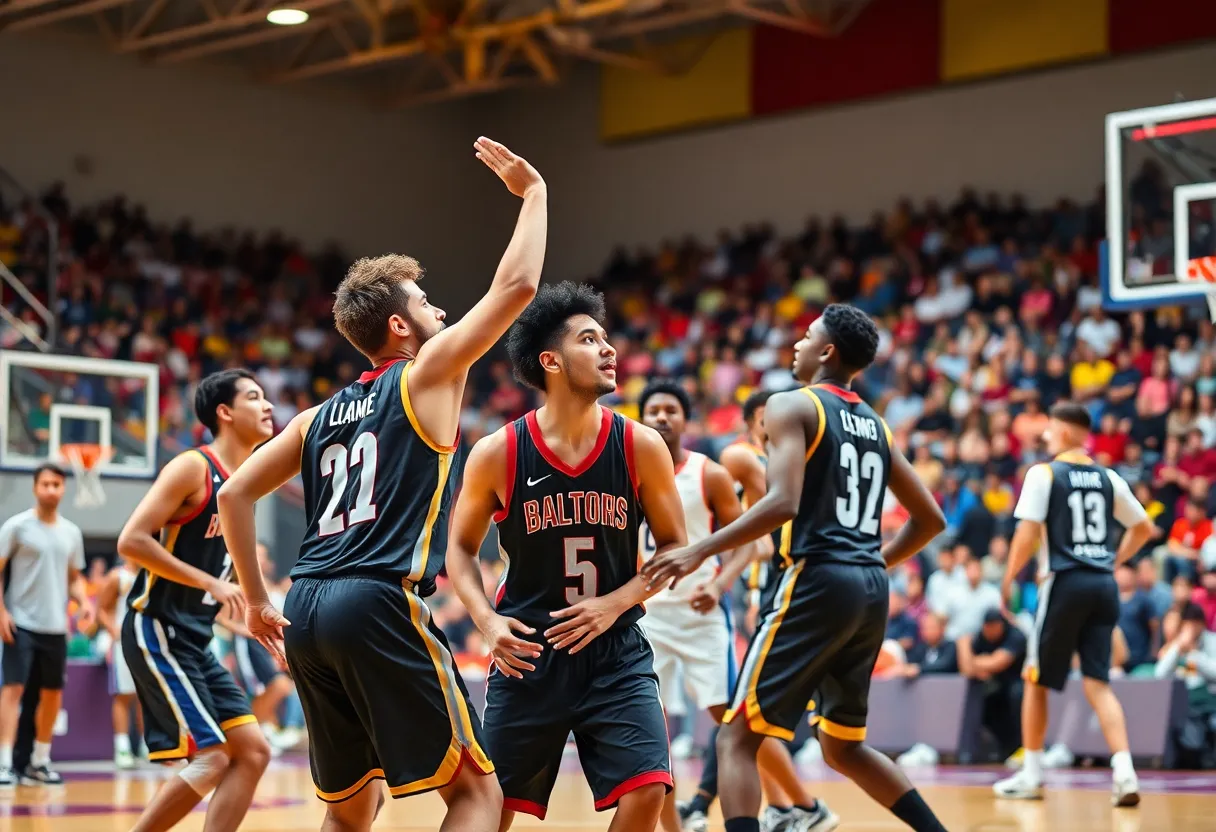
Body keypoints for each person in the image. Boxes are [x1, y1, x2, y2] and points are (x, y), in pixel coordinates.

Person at [216, 137, 545, 832]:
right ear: (400, 325)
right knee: (479, 794)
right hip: (377, 599)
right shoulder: (425, 374)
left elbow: (233, 494)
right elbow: (516, 290)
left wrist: (253, 600)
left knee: (351, 807)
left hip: (304, 607)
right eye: (428, 303)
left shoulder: (313, 417)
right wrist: (536, 194)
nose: (443, 313)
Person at [643, 303, 950, 832]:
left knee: (736, 738)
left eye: (806, 337)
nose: (796, 345)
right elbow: (930, 519)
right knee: (843, 747)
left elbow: (783, 502)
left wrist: (699, 549)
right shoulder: (876, 424)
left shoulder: (793, 405)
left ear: (826, 352)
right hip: (870, 588)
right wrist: (875, 563)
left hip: (816, 578)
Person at [445, 281, 680, 832]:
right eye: (589, 339)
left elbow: (674, 547)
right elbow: (458, 548)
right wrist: (486, 621)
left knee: (648, 793)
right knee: (492, 805)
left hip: (615, 652)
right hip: (528, 653)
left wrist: (614, 604)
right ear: (550, 360)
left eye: (605, 338)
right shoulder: (499, 451)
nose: (608, 349)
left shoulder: (641, 445)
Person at [636, 380, 831, 832]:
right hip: (648, 618)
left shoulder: (710, 473)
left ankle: (801, 804)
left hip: (702, 616)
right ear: (641, 419)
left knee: (735, 723)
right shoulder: (628, 472)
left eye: (671, 410)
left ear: (686, 420)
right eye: (654, 410)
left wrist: (721, 584)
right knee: (651, 733)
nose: (662, 417)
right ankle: (673, 828)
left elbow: (754, 543)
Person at [116, 369, 275, 832]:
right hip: (156, 627)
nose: (267, 406)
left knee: (254, 752)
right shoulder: (193, 467)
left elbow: (228, 575)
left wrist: (251, 612)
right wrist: (211, 583)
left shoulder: (244, 484)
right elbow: (131, 541)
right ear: (224, 413)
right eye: (254, 397)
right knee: (213, 758)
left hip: (195, 637)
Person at [994, 402, 1157, 806]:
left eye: (1049, 430)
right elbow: (1144, 528)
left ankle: (1032, 774)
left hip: (1064, 581)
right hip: (1103, 585)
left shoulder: (1043, 474)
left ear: (1065, 433)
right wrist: (1112, 561)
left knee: (1036, 678)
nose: (1045, 436)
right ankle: (1124, 772)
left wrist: (1008, 579)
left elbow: (1027, 534)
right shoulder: (1109, 477)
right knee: (1098, 683)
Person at [707, 389, 814, 832]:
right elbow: (760, 535)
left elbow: (766, 538)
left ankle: (797, 806)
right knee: (738, 714)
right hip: (755, 585)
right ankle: (787, 806)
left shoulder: (766, 461)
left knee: (739, 714)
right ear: (759, 420)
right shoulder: (742, 456)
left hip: (764, 586)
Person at [0, 463, 92, 786]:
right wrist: (1, 612)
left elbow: (74, 579)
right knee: (13, 689)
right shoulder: (17, 527)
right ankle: (4, 763)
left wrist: (84, 603)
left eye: (57, 484)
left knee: (52, 694)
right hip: (21, 623)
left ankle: (39, 761)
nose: (51, 489)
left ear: (63, 488)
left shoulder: (71, 533)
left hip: (56, 627)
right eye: (46, 484)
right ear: (35, 487)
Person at [94, 557, 145, 768]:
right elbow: (101, 610)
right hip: (123, 644)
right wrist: (113, 630)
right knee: (123, 695)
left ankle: (146, 745)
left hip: (149, 643)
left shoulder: (155, 575)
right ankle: (122, 747)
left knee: (147, 696)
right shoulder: (118, 576)